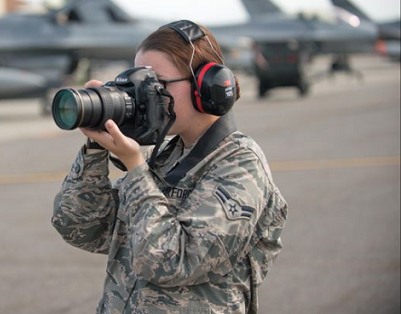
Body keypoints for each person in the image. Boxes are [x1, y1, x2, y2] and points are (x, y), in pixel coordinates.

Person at [51, 20, 288, 314]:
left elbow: (174, 262)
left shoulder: (240, 164)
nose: (141, 98)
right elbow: (82, 229)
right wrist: (95, 147)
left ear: (206, 87)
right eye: (138, 85)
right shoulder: (162, 158)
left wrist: (136, 168)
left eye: (157, 85)